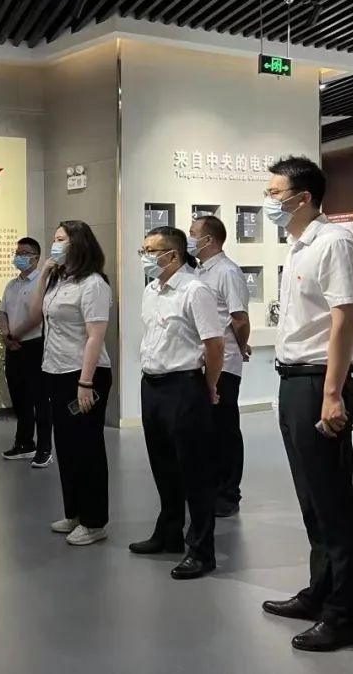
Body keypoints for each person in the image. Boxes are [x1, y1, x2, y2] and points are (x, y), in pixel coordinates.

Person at [261, 156, 353, 652]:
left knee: (334, 502)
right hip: (293, 381)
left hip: (318, 384)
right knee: (311, 499)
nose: (269, 202)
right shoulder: (299, 246)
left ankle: (344, 616)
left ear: (303, 198)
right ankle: (320, 592)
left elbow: (344, 319)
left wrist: (331, 393)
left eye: (274, 193)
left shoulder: (334, 243)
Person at [130, 226, 224, 581]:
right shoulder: (151, 290)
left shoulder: (195, 290)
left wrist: (209, 385)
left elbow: (214, 344)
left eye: (151, 251)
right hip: (153, 385)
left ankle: (201, 549)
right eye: (143, 250)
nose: (145, 256)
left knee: (194, 471)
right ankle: (169, 532)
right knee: (163, 465)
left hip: (184, 385)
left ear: (173, 254)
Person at [28, 221, 112, 547]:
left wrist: (85, 381)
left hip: (85, 374)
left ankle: (94, 521)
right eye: (54, 239)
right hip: (56, 370)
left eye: (61, 239)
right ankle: (74, 512)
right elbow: (35, 315)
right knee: (65, 445)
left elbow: (95, 336)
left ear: (78, 243)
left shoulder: (93, 284)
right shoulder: (59, 280)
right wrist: (43, 277)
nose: (55, 244)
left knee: (86, 446)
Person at [189, 215, 251, 518]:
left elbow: (239, 318)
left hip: (224, 362)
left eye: (193, 233)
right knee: (206, 429)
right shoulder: (199, 271)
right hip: (202, 361)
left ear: (209, 239)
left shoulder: (227, 271)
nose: (190, 238)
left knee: (224, 428)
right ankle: (210, 488)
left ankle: (228, 493)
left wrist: (241, 345)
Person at [0, 237, 52, 467]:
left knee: (40, 400)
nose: (19, 256)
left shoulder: (42, 282)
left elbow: (37, 316)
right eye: (17, 252)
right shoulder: (12, 284)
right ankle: (24, 443)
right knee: (19, 397)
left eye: (25, 253)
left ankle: (44, 448)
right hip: (12, 347)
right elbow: (2, 312)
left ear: (36, 257)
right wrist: (6, 335)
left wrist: (15, 335)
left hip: (34, 345)